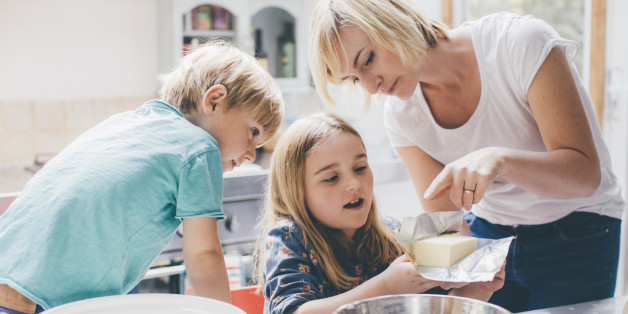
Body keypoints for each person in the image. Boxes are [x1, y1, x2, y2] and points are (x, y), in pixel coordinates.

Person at [308, 0, 625, 312]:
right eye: (353, 78)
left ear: (395, 22)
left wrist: (498, 160)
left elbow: (585, 176)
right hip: (490, 234)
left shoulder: (518, 43)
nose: (369, 86)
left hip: (579, 231)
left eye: (369, 59)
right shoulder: (401, 115)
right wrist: (444, 273)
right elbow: (445, 221)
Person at [0, 40, 284, 314]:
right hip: (46, 298)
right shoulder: (200, 149)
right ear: (214, 100)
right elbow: (203, 254)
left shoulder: (128, 121)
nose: (250, 154)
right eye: (253, 133)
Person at [252, 113, 504, 314]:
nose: (353, 184)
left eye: (360, 167)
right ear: (296, 192)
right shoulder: (289, 239)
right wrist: (388, 285)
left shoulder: (391, 235)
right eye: (331, 178)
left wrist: (475, 291)